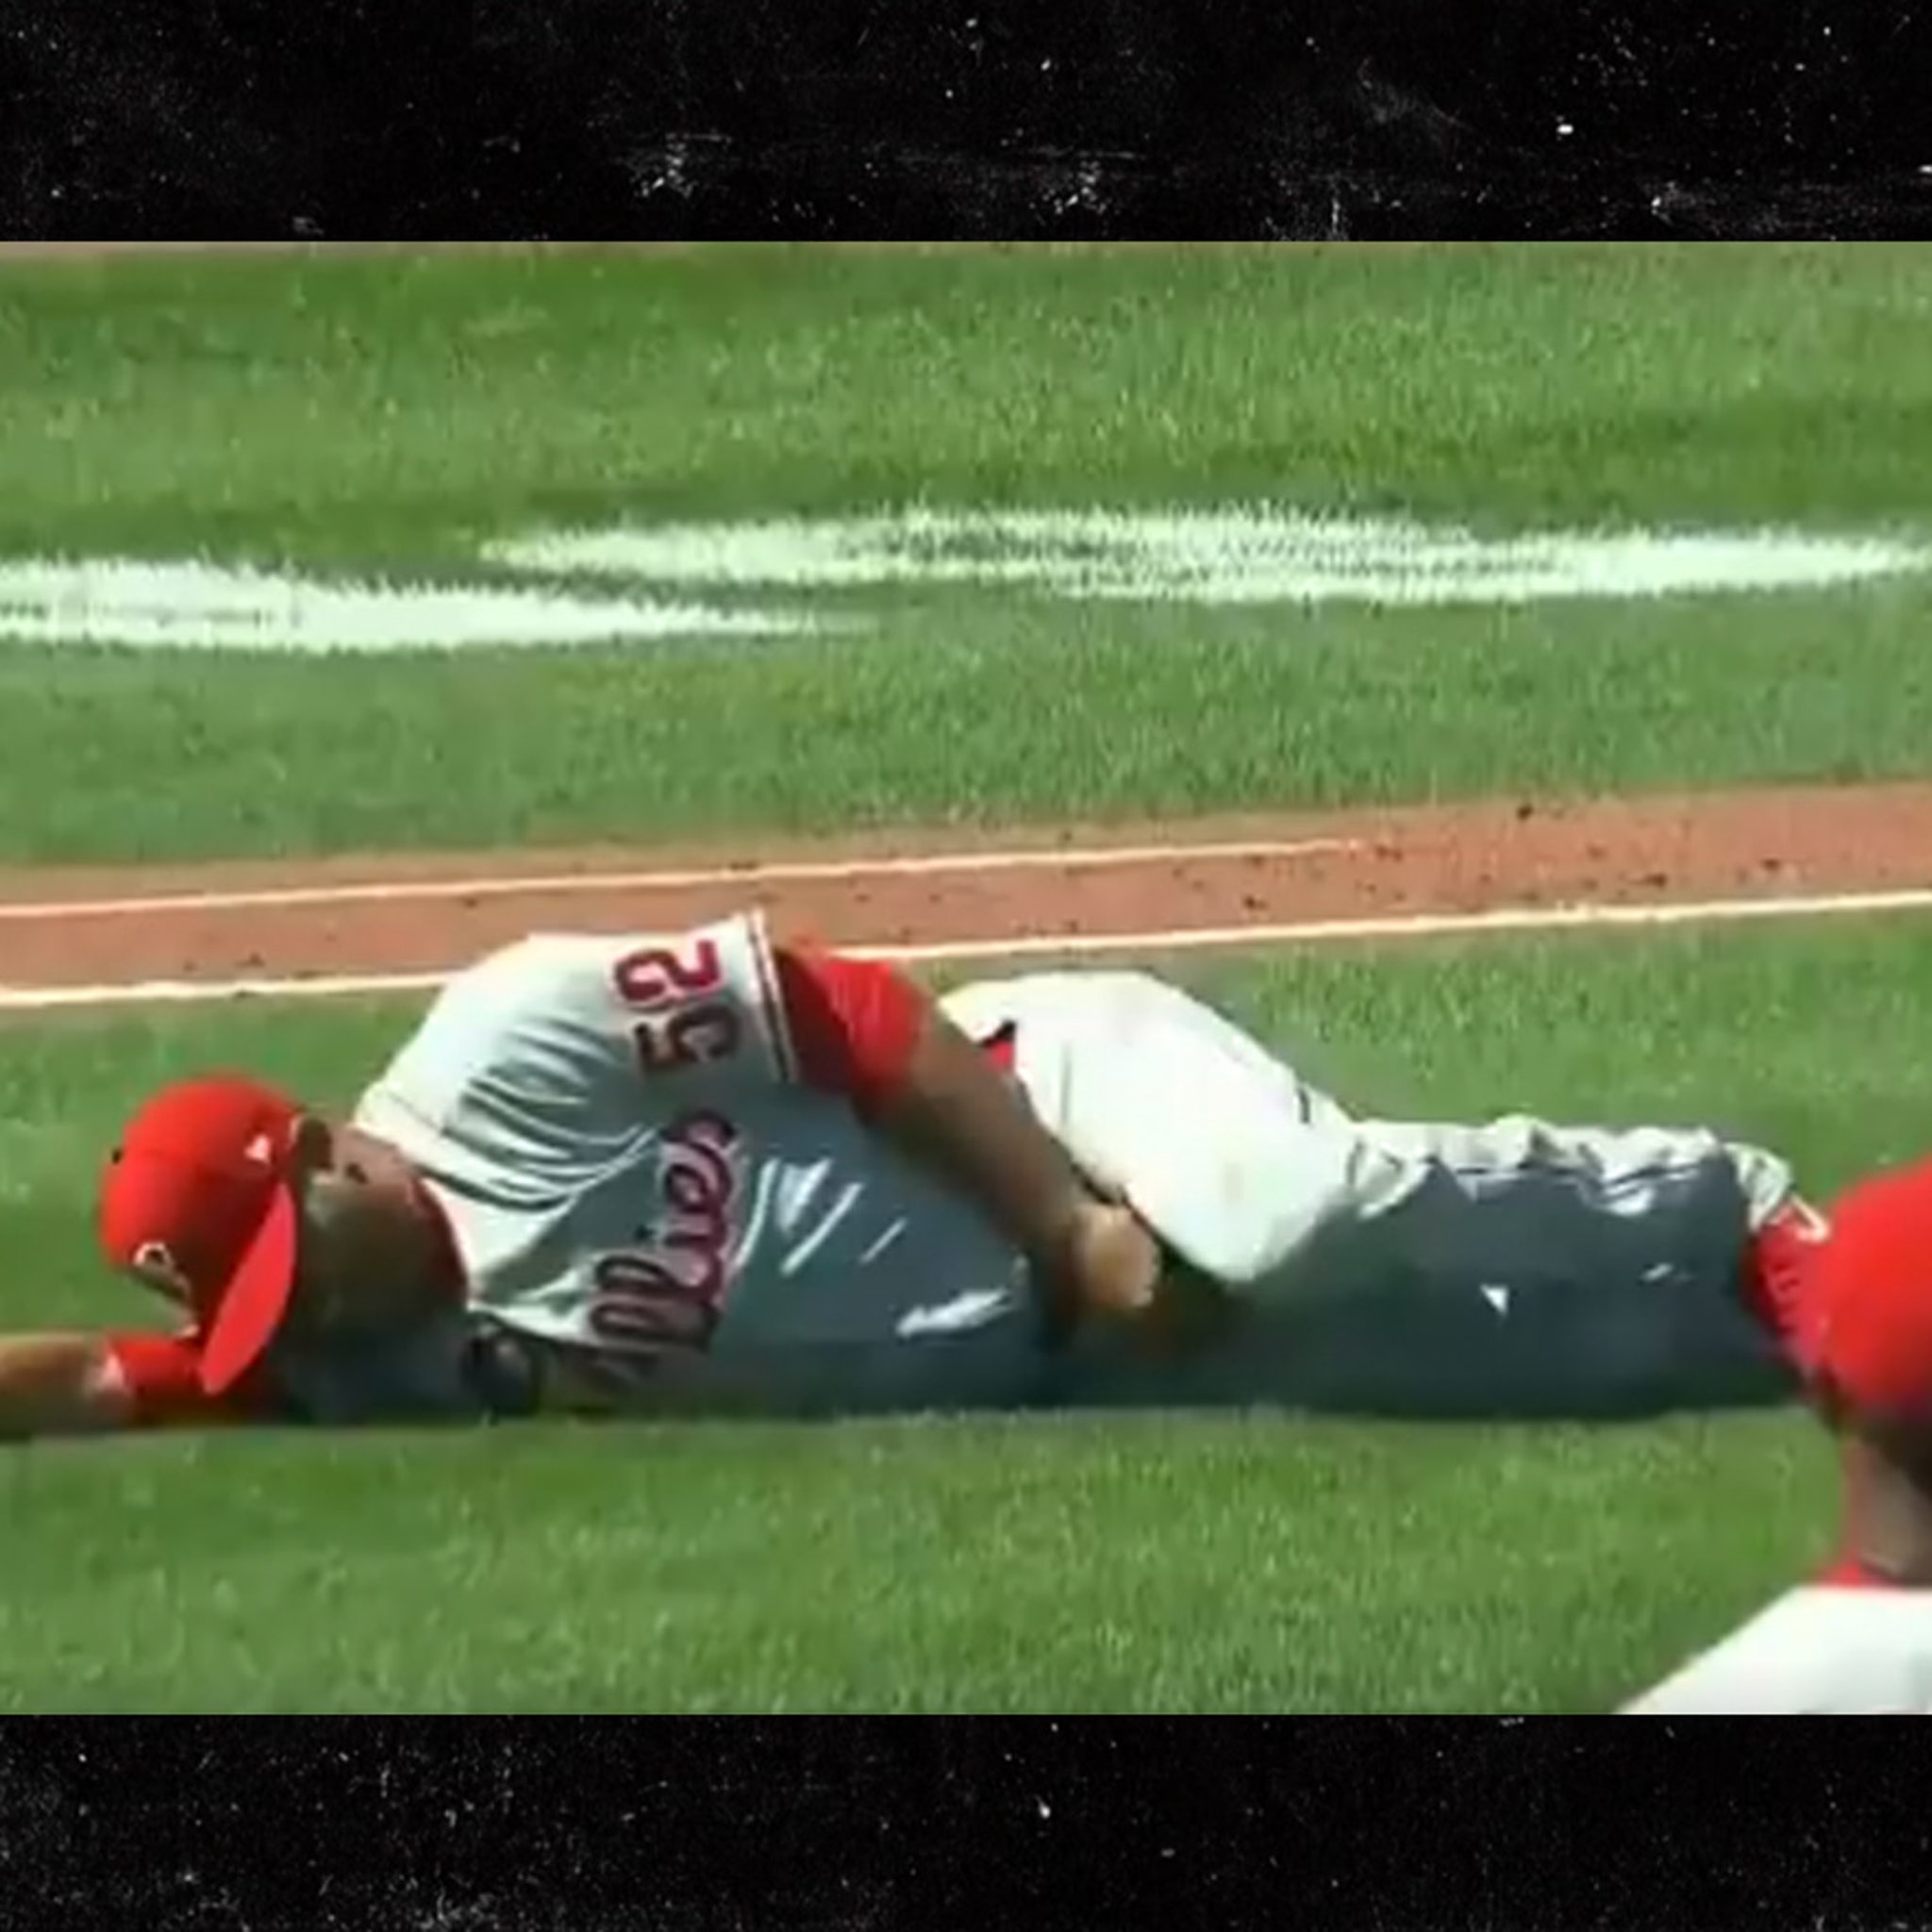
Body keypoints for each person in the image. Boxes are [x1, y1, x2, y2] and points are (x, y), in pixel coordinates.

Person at [0, 912, 1819, 1438]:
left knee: (1293, 1207)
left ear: (317, 1154)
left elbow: (847, 1008)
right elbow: (100, 1376)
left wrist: (1077, 1221)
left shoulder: (502, 1050)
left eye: (285, 1266)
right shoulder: (356, 1353)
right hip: (1068, 1352)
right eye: (260, 1314)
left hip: (1059, 1107)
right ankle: (1826, 1337)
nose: (299, 1319)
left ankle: (1734, 1205)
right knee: (1544, 1379)